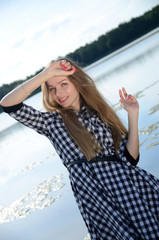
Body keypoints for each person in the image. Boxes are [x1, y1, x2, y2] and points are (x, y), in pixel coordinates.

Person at [0, 58, 159, 240]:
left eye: (63, 84)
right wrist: (47, 74)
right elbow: (9, 105)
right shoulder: (51, 122)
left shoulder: (101, 113)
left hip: (131, 189)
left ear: (77, 83)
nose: (58, 92)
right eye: (52, 88)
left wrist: (133, 113)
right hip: (98, 201)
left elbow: (130, 160)